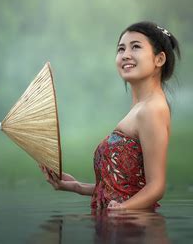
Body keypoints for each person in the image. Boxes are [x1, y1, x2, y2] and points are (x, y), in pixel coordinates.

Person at [40, 21, 181, 211]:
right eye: (121, 49)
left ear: (159, 59)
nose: (126, 55)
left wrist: (123, 210)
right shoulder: (140, 108)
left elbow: (156, 187)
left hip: (135, 230)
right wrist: (75, 186)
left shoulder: (152, 110)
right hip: (117, 226)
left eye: (136, 47)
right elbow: (123, 187)